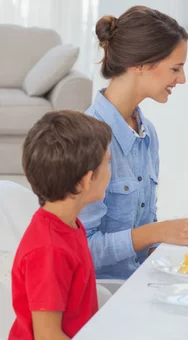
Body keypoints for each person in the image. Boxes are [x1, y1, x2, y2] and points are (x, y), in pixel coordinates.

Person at [79, 6, 188, 280]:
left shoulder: (146, 133)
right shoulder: (87, 140)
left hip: (139, 282)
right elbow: (81, 251)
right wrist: (157, 232)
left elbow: (141, 240)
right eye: (176, 68)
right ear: (139, 64)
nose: (182, 79)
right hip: (101, 297)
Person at [9, 111, 112, 339]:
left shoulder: (69, 224)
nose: (110, 172)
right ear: (86, 180)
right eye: (108, 163)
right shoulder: (50, 250)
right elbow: (47, 336)